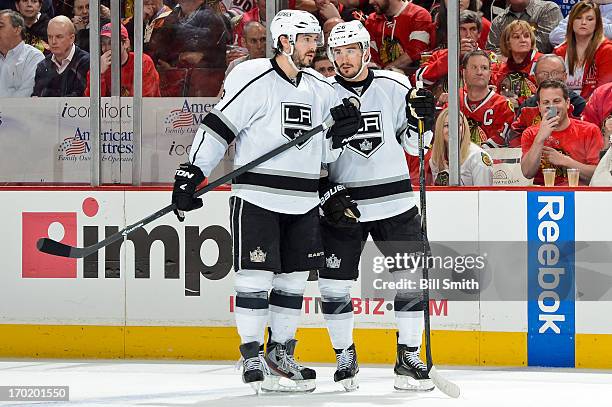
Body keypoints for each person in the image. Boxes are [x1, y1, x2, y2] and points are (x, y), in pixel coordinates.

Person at [171, 9, 361, 393]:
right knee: (254, 279)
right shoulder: (250, 76)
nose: (314, 47)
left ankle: (279, 353)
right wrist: (193, 170)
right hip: (257, 195)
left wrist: (341, 134)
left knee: (292, 282)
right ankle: (252, 354)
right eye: (307, 40)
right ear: (285, 42)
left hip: (304, 199)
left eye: (314, 40)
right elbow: (219, 126)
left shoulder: (321, 89)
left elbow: (325, 156)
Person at [321, 20, 435, 392]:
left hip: (395, 202)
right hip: (346, 204)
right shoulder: (322, 93)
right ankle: (344, 354)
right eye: (337, 52)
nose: (343, 58)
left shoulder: (394, 85)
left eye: (350, 50)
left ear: (366, 51)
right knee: (335, 285)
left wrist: (425, 123)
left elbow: (414, 146)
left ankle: (408, 354)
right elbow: (315, 155)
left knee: (410, 280)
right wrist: (328, 188)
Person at [521, 79, 603, 185]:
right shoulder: (530, 133)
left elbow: (598, 174)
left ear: (567, 103)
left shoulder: (589, 131)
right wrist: (539, 139)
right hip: (542, 195)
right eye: (546, 102)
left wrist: (565, 161)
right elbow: (527, 173)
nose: (552, 107)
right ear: (539, 107)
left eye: (556, 101)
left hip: (580, 196)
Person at [415, 10, 498, 104]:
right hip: (444, 112)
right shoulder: (439, 55)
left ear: (479, 34)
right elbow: (420, 79)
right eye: (462, 29)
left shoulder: (491, 58)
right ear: (454, 33)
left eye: (473, 29)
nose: (468, 34)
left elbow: (496, 89)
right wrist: (453, 56)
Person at [509, 54, 586, 144]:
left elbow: (584, 136)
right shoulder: (527, 106)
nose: (550, 78)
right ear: (535, 78)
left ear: (565, 76)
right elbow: (514, 137)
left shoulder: (578, 104)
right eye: (544, 74)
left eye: (555, 73)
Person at [553, 1, 612, 100]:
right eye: (578, 18)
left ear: (597, 23)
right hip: (563, 107)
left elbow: (603, 92)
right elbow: (552, 89)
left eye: (589, 19)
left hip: (595, 108)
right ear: (571, 22)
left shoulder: (607, 51)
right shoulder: (559, 51)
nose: (583, 22)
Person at [457, 49, 515, 147]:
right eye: (474, 67)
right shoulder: (455, 101)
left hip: (490, 160)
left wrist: (473, 154)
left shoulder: (502, 105)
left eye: (484, 68)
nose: (479, 72)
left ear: (489, 74)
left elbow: (500, 139)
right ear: (464, 72)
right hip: (457, 159)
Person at [84, 23, 160, 97]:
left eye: (112, 43)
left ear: (126, 43)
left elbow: (144, 100)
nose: (107, 49)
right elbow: (91, 102)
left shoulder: (142, 62)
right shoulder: (99, 66)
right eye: (103, 44)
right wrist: (99, 75)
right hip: (111, 109)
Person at [429, 108, 494, 185]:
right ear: (440, 129)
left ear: (465, 127)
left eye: (458, 125)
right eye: (447, 125)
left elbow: (483, 194)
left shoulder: (477, 156)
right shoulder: (436, 157)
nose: (453, 129)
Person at [365, 0, 433, 71]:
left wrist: (386, 72)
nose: (370, 2)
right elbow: (371, 55)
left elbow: (415, 52)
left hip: (412, 78)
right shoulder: (371, 20)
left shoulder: (419, 15)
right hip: (380, 77)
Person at [32, 16, 89, 96]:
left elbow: (80, 98)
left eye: (59, 37)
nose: (53, 42)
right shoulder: (43, 66)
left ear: (72, 38)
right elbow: (38, 97)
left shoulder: (86, 62)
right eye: (50, 37)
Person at [493, 20, 541, 108]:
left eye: (526, 36)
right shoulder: (500, 69)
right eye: (516, 37)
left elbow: (550, 94)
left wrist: (519, 102)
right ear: (508, 44)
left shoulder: (542, 63)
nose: (523, 40)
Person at [486, 0, 562, 54]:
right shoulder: (498, 21)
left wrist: (507, 51)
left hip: (542, 69)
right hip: (507, 71)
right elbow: (492, 52)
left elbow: (544, 46)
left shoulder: (548, 9)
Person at [0, 9, 44, 97]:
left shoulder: (33, 57)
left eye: (0, 26)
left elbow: (25, 95)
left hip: (17, 109)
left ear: (17, 30)